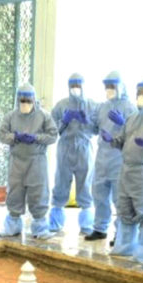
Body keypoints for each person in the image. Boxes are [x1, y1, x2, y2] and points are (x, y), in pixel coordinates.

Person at [101, 79, 143, 264]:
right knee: (125, 209)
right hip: (126, 170)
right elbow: (122, 140)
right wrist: (112, 140)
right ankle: (124, 248)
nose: (142, 96)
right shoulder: (132, 118)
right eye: (139, 92)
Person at [0, 83, 58, 239]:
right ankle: (12, 227)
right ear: (18, 99)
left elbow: (53, 135)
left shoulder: (44, 116)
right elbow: (1, 134)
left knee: (38, 192)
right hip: (17, 161)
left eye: (28, 100)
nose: (25, 103)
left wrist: (36, 138)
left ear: (34, 99)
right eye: (22, 99)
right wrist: (14, 137)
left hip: (36, 162)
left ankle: (40, 228)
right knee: (15, 192)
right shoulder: (11, 116)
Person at [85, 71, 137, 241]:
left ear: (121, 86)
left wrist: (124, 124)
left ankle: (121, 232)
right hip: (102, 157)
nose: (109, 89)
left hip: (119, 157)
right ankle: (100, 228)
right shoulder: (102, 107)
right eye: (106, 86)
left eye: (112, 86)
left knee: (119, 198)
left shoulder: (130, 108)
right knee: (99, 194)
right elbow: (94, 130)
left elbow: (136, 133)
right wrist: (86, 120)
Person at [49, 73, 98, 234]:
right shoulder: (61, 105)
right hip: (65, 148)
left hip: (84, 149)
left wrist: (86, 121)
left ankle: (86, 224)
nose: (75, 89)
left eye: (78, 85)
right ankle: (56, 221)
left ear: (84, 86)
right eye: (72, 85)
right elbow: (52, 130)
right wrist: (64, 121)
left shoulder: (92, 106)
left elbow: (97, 130)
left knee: (85, 184)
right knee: (61, 182)